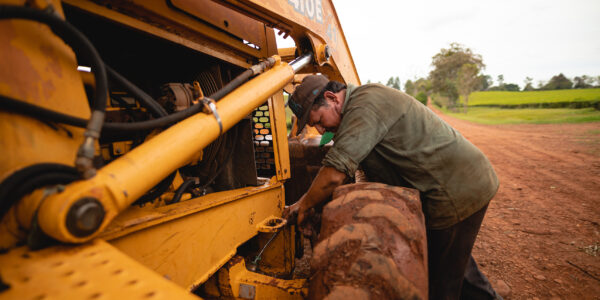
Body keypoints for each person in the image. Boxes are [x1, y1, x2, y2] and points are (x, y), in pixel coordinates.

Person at [284, 75, 502, 300]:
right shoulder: (359, 107)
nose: (320, 131)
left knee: (441, 284)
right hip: (458, 183)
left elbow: (334, 175)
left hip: (455, 189)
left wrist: (303, 205)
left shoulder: (364, 105)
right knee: (459, 269)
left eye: (319, 120)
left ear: (332, 98)